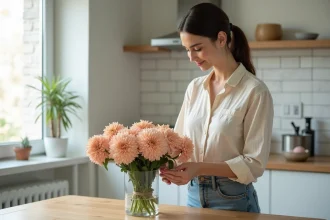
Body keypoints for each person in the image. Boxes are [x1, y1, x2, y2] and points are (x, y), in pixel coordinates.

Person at [159, 3, 274, 213]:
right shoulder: (195, 88)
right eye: (187, 50)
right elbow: (179, 143)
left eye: (197, 48)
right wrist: (171, 167)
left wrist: (198, 168)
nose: (191, 57)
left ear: (221, 39)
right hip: (193, 195)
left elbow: (253, 164)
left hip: (233, 199)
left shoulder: (255, 91)